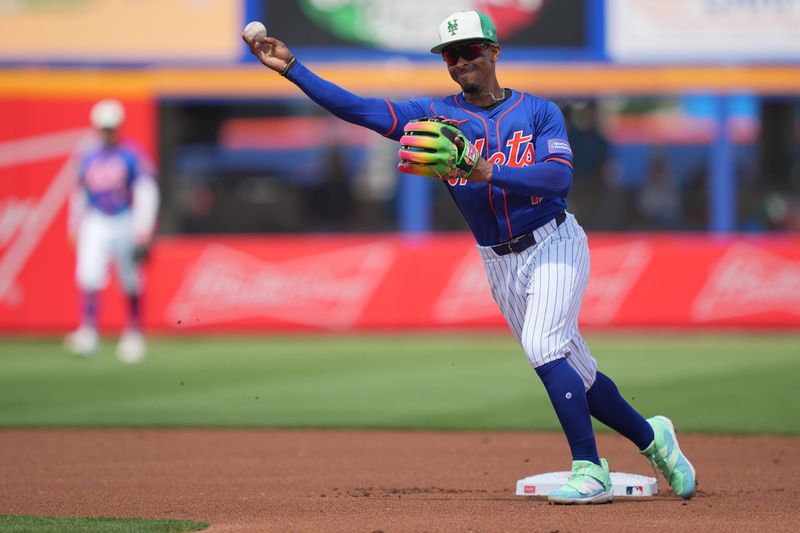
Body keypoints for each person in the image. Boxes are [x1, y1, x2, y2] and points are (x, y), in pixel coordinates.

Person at [243, 11, 696, 504]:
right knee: (576, 371)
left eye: (472, 51)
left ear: (494, 52)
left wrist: (485, 169)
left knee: (546, 349)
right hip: (497, 261)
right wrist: (293, 69)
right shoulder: (434, 115)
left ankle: (590, 469)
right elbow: (361, 110)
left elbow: (558, 180)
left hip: (554, 241)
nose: (461, 63)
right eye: (452, 55)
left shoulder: (539, 112)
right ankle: (655, 440)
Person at [64, 99, 160, 364]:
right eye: (103, 127)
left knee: (130, 278)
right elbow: (80, 192)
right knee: (88, 275)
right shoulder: (88, 156)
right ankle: (89, 331)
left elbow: (145, 191)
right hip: (96, 219)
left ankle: (133, 333)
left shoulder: (130, 154)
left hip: (124, 218)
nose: (107, 132)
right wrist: (73, 223)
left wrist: (143, 225)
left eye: (111, 127)